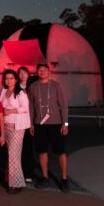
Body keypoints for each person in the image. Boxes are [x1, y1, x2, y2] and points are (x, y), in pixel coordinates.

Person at [28, 63, 69, 192]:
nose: (42, 72)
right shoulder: (33, 87)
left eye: (45, 70)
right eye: (40, 70)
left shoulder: (56, 86)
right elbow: (30, 107)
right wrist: (30, 123)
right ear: (37, 72)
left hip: (56, 125)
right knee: (42, 151)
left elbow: (63, 106)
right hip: (39, 125)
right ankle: (45, 177)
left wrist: (65, 123)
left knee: (60, 151)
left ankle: (64, 179)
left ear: (49, 72)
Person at [0, 69, 31, 194]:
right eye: (7, 78)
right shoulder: (3, 91)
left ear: (16, 80)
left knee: (14, 154)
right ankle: (10, 180)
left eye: (11, 78)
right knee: (9, 154)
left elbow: (25, 108)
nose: (9, 80)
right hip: (5, 126)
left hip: (17, 127)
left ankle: (16, 184)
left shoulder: (20, 93)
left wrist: (11, 111)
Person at [18, 66, 36, 182]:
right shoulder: (15, 87)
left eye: (25, 73)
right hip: (18, 120)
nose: (23, 75)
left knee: (28, 147)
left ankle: (28, 173)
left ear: (28, 74)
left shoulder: (32, 87)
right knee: (19, 148)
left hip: (29, 121)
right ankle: (20, 172)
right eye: (20, 73)